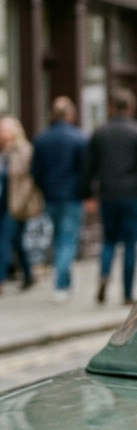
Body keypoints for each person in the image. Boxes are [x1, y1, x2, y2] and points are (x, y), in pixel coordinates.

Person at [85, 88, 137, 304]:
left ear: (111, 108)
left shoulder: (100, 132)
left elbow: (88, 166)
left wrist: (88, 194)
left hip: (108, 193)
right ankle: (127, 293)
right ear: (131, 108)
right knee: (130, 244)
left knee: (108, 240)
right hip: (131, 194)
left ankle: (104, 275)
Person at [31, 96, 88, 302]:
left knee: (59, 239)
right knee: (68, 240)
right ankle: (61, 284)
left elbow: (35, 172)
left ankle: (66, 282)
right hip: (72, 197)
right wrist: (86, 193)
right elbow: (85, 171)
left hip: (51, 197)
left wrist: (45, 188)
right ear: (71, 115)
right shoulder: (79, 138)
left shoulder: (41, 139)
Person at [0, 115, 42, 292]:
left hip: (17, 204)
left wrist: (22, 202)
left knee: (5, 240)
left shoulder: (25, 150)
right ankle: (29, 275)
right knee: (17, 241)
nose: (2, 133)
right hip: (2, 203)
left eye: (5, 130)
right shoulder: (3, 153)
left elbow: (30, 180)